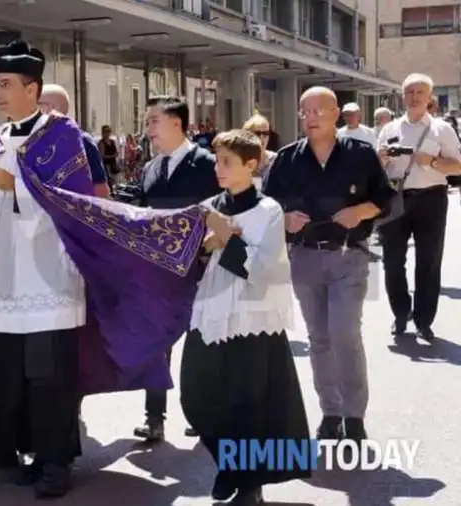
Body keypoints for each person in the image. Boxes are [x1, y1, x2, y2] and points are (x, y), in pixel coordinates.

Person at [0, 39, 210, 499]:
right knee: (11, 374)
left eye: (6, 84)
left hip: (47, 275)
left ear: (32, 88)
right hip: (1, 275)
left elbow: (75, 204)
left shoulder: (62, 134)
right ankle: (25, 452)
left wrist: (18, 186)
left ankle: (56, 462)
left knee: (49, 378)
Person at [183, 129, 309, 506]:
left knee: (249, 403)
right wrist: (207, 246)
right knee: (198, 394)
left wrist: (228, 239)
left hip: (253, 320)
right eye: (217, 161)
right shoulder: (208, 205)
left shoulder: (269, 210)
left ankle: (249, 483)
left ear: (251, 165)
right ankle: (229, 465)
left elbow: (266, 269)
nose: (218, 169)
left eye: (227, 162)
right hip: (212, 313)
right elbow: (191, 259)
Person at [264, 86, 395, 442]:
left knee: (344, 334)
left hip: (349, 255)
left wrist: (360, 211)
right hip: (304, 257)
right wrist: (285, 218)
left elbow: (386, 200)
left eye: (318, 110)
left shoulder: (361, 154)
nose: (310, 117)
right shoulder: (287, 159)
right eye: (304, 111)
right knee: (319, 339)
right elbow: (266, 207)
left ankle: (354, 416)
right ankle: (330, 412)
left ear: (336, 113)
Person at [133, 95, 221, 442]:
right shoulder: (150, 169)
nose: (148, 129)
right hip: (159, 272)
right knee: (158, 345)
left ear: (176, 123)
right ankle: (154, 417)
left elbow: (223, 215)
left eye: (154, 121)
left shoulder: (209, 165)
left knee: (201, 346)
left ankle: (203, 413)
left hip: (201, 270)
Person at [377, 73, 461, 341]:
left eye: (420, 93)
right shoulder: (389, 129)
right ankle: (401, 313)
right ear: (403, 97)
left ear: (429, 97)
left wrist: (432, 161)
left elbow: (458, 166)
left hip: (431, 199)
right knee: (392, 261)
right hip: (396, 197)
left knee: (428, 261)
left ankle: (424, 319)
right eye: (410, 92)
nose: (414, 97)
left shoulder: (441, 129)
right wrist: (380, 160)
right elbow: (376, 170)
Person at [38, 84, 111, 197]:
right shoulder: (34, 144)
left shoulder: (83, 142)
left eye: (36, 105)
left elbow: (101, 192)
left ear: (48, 108)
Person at [242, 114, 276, 186]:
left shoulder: (276, 160)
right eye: (257, 133)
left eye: (265, 133)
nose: (262, 137)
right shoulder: (240, 160)